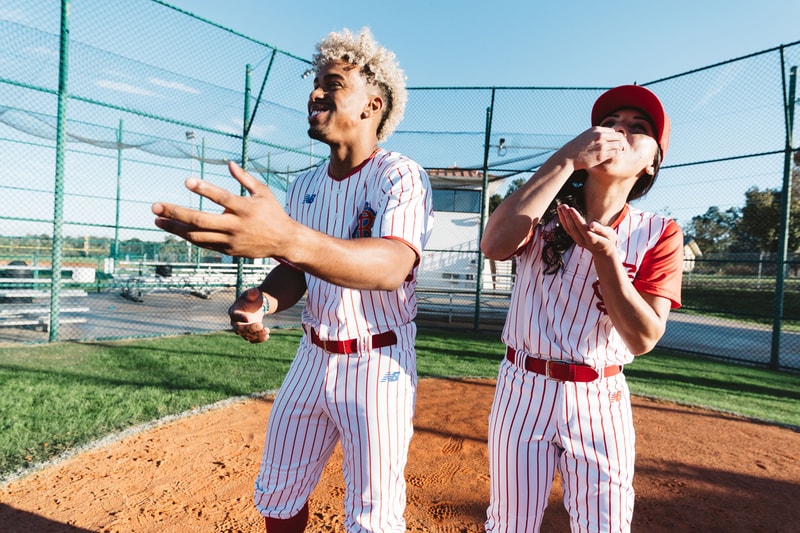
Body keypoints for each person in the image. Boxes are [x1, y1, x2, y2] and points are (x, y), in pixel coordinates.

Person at [152, 28, 433, 533]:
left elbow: (392, 266)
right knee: (277, 493)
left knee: (373, 513)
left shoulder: (399, 175)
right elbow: (294, 270)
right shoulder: (304, 184)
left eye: (333, 82)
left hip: (379, 362)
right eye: (315, 82)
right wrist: (261, 299)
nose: (315, 93)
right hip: (311, 356)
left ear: (373, 103)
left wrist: (284, 240)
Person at [480, 85, 683, 532]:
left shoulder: (659, 232)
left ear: (651, 163)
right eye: (610, 123)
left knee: (605, 525)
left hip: (599, 397)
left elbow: (644, 337)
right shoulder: (545, 210)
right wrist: (565, 158)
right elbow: (494, 245)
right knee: (510, 524)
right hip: (522, 387)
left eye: (638, 128)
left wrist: (607, 258)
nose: (618, 131)